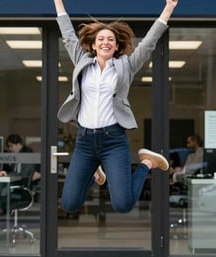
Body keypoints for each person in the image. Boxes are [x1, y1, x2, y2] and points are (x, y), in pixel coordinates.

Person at [53, 0, 178, 214]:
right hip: (85, 141)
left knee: (123, 204)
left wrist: (168, 9)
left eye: (110, 39)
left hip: (113, 140)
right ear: (93, 45)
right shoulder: (82, 61)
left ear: (117, 46)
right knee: (69, 205)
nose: (105, 42)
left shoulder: (126, 66)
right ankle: (95, 172)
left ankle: (147, 162)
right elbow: (68, 34)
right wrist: (58, 2)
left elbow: (148, 43)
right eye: (100, 39)